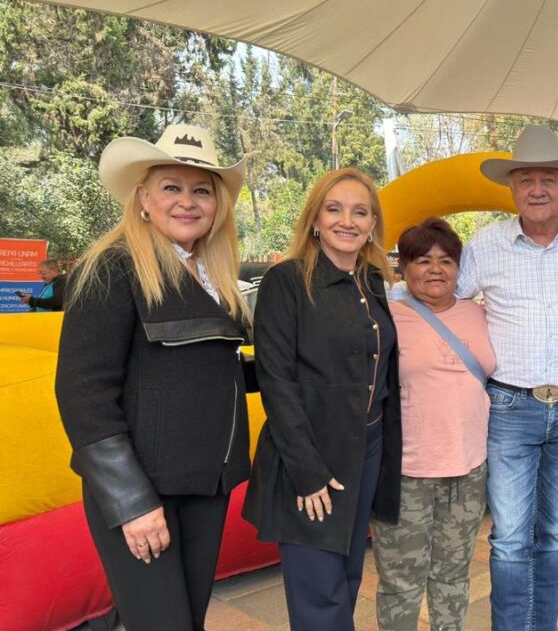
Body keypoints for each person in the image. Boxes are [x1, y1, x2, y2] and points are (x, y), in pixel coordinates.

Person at [55, 124, 252, 630]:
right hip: (144, 494)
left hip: (206, 489)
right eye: (171, 187)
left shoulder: (211, 277)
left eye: (202, 190)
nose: (187, 201)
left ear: (217, 204)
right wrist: (132, 503)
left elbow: (210, 372)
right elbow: (83, 394)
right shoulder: (110, 268)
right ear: (143, 197)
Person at [456, 124, 558, 630]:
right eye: (526, 179)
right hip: (509, 407)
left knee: (554, 535)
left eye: (548, 178)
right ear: (511, 187)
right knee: (510, 538)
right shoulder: (485, 245)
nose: (537, 189)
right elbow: (447, 304)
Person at [242, 168, 402, 630]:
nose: (347, 221)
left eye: (360, 212)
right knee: (320, 595)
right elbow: (276, 381)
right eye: (334, 209)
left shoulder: (370, 281)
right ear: (315, 218)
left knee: (347, 579)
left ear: (373, 223)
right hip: (310, 456)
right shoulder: (286, 281)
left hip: (366, 450)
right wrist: (307, 473)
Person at [370, 217, 495, 631]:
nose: (435, 270)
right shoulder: (386, 316)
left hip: (468, 469)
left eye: (446, 261)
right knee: (401, 582)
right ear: (403, 268)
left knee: (453, 577)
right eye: (423, 260)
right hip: (407, 473)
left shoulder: (480, 314)